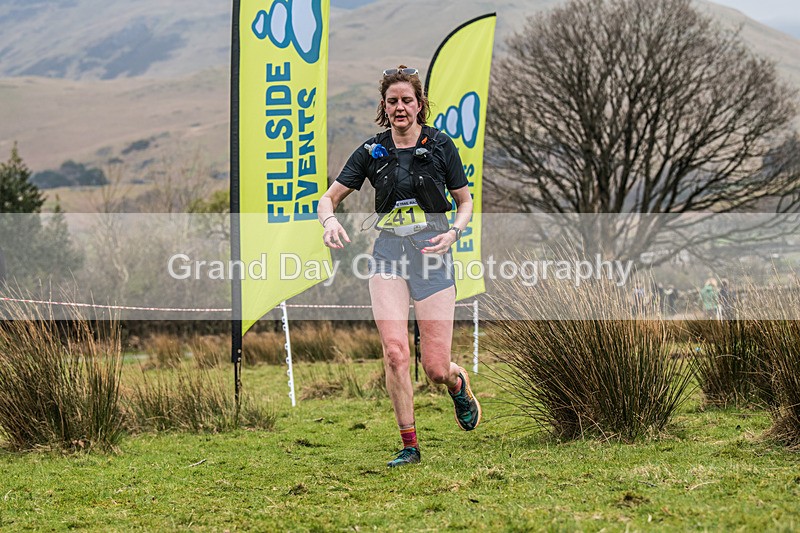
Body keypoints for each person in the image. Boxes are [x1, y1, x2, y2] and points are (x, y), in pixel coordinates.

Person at [317, 66, 481, 468]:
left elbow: (465, 201)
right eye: (392, 102)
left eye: (407, 100)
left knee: (435, 367)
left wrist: (454, 234)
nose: (400, 108)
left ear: (420, 104)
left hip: (432, 254)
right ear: (384, 107)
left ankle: (457, 384)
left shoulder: (441, 146)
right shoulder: (372, 151)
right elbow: (328, 198)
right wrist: (329, 221)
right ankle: (410, 445)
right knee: (394, 353)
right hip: (388, 254)